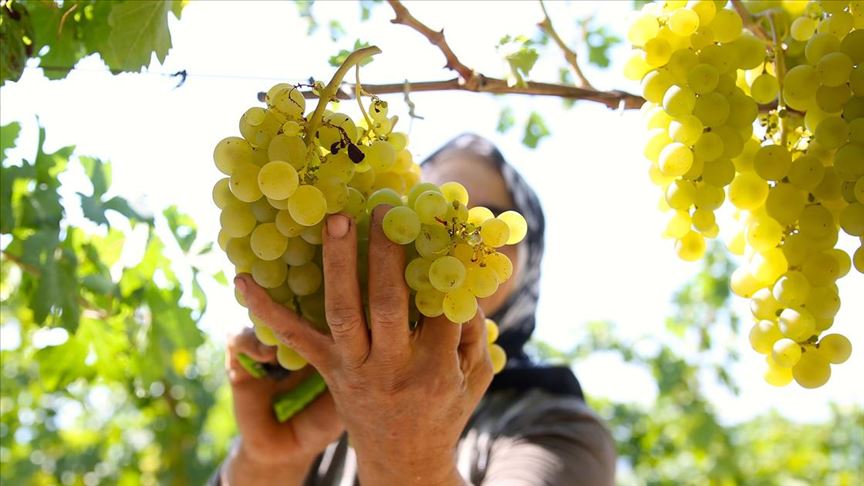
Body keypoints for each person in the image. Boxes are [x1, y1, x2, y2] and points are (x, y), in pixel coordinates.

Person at [214, 134, 616, 485]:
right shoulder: (329, 396)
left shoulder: (556, 427)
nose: (454, 237)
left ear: (527, 261)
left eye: (488, 217)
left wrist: (407, 461)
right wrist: (267, 464)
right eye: (434, 210)